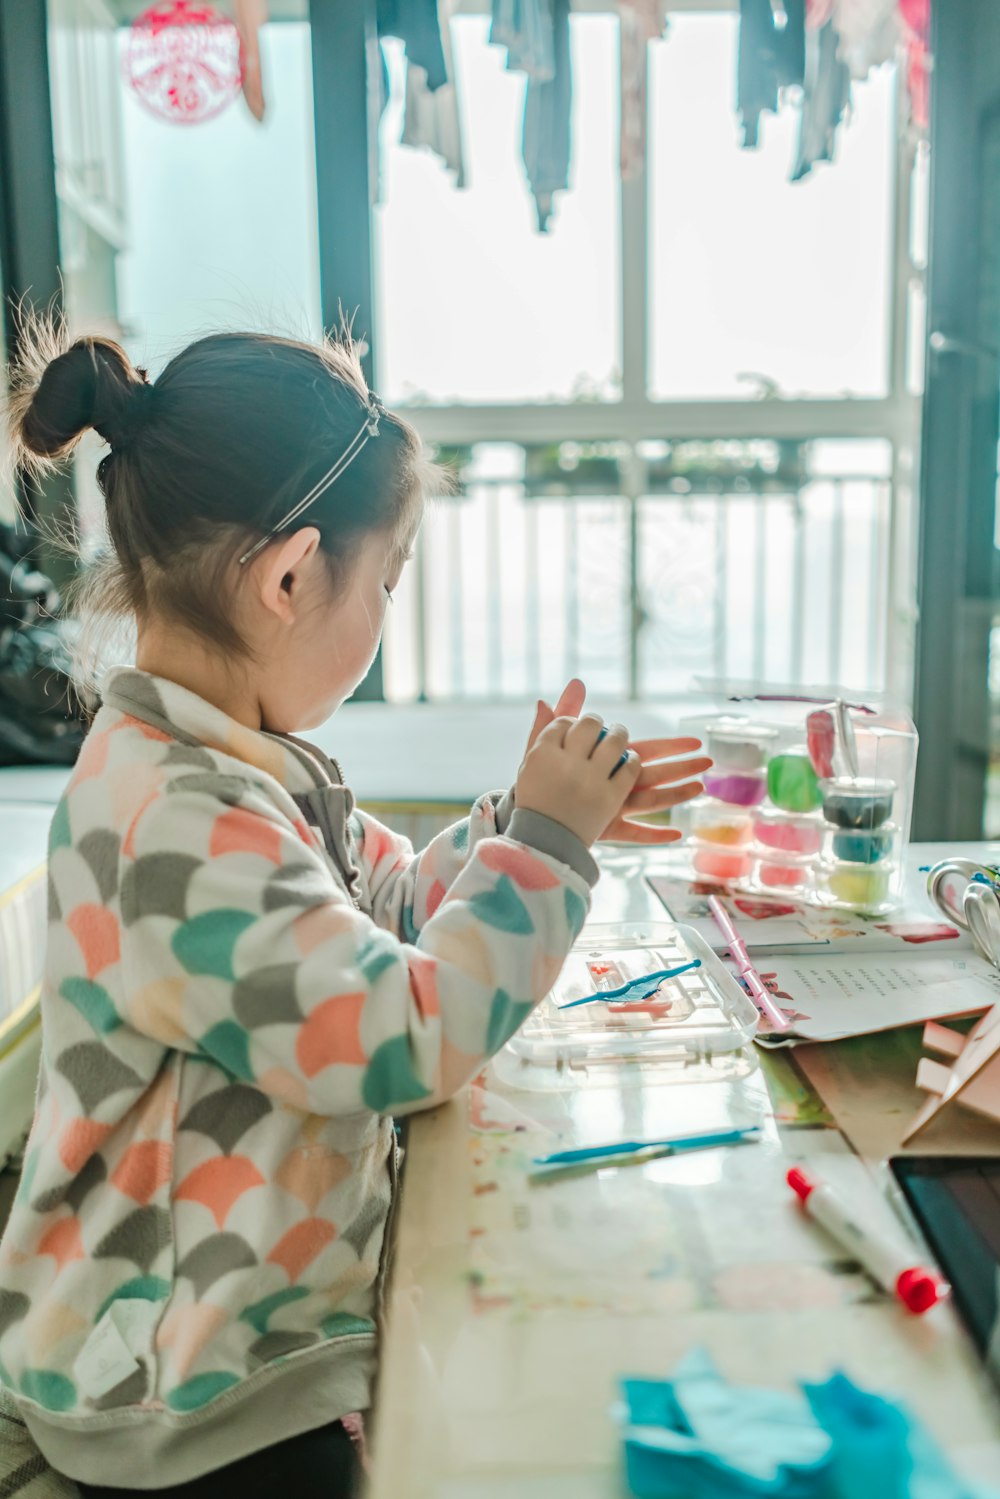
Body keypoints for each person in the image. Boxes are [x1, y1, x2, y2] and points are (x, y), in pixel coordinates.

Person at [0, 327, 708, 1497]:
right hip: (180, 1400)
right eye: (386, 578)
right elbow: (398, 1035)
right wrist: (543, 848)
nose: (383, 610)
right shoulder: (173, 821)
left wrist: (513, 827)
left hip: (229, 1342)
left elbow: (375, 908)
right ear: (288, 578)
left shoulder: (227, 762)